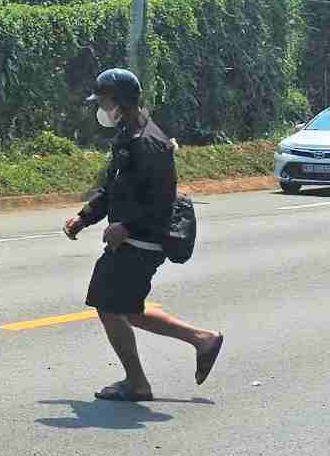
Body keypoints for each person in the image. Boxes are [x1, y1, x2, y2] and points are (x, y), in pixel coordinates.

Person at [63, 68, 224, 401]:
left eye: (104, 100)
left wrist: (126, 227)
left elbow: (161, 201)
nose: (100, 107)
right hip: (131, 239)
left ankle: (137, 383)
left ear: (120, 101)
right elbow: (113, 188)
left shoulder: (150, 142)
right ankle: (202, 339)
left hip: (142, 241)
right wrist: (85, 216)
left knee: (107, 303)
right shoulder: (128, 134)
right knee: (127, 308)